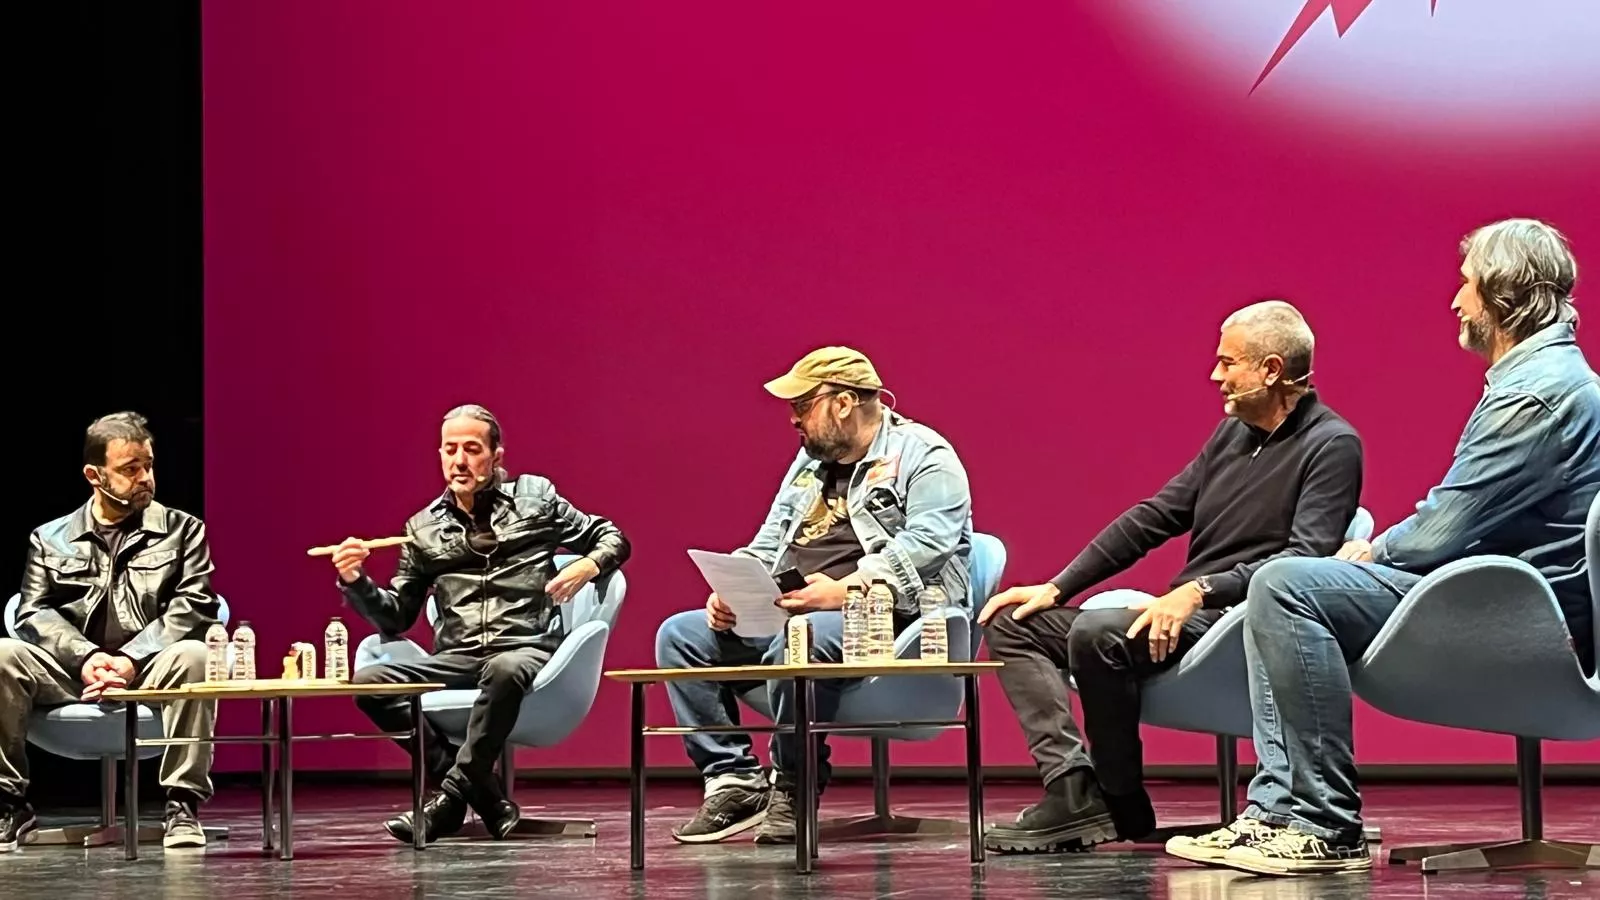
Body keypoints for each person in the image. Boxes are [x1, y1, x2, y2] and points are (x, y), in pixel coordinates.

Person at [1168, 218, 1600, 876]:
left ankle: (1323, 823)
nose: (1456, 301)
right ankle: (1278, 813)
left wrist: (1372, 552)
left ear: (1502, 295)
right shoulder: (1553, 379)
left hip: (1524, 619)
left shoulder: (1534, 396)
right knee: (1285, 581)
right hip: (1508, 600)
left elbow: (1442, 531)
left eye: (1467, 285)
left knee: (1286, 585)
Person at [980, 301, 1364, 854]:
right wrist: (1058, 587)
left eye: (1228, 362)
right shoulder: (1231, 434)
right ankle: (1073, 787)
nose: (1215, 375)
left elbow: (1303, 561)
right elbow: (1156, 516)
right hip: (1187, 612)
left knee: (1098, 633)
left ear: (1271, 370)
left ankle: (1120, 799)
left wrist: (1199, 591)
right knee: (1013, 623)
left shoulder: (1332, 444)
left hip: (1241, 619)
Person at [655, 347, 973, 845]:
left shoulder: (925, 455)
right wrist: (735, 585)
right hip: (800, 610)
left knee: (802, 637)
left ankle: (795, 784)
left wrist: (845, 591)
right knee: (681, 636)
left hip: (888, 617)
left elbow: (928, 545)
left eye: (802, 405)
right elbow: (771, 539)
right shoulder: (809, 463)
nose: (793, 419)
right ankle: (734, 780)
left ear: (843, 403)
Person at [333, 404, 630, 844]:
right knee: (370, 682)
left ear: (495, 456)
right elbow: (397, 617)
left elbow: (612, 537)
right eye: (450, 450)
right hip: (457, 656)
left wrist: (588, 564)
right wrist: (356, 581)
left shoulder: (536, 498)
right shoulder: (422, 528)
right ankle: (483, 796)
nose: (459, 461)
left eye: (472, 449)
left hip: (526, 647)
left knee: (504, 667)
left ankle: (452, 799)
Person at [2, 412, 221, 852]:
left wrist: (130, 659)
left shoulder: (183, 530)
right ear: (94, 475)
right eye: (130, 469)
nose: (145, 478)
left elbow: (195, 605)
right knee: (3, 655)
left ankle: (182, 805)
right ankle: (10, 805)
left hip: (149, 669)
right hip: (71, 672)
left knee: (195, 655)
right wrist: (85, 657)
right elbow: (32, 613)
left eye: (149, 465)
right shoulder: (50, 538)